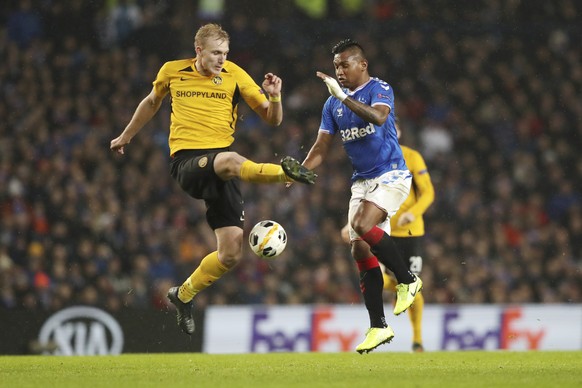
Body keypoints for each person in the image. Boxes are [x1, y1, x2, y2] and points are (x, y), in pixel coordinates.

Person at [110, 23, 316, 335]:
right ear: (199, 50)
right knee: (233, 160)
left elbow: (273, 120)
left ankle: (183, 295)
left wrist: (275, 98)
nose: (221, 59)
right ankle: (284, 173)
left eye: (225, 53)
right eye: (216, 53)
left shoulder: (234, 74)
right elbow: (152, 102)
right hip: (188, 161)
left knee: (231, 253)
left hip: (221, 166)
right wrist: (126, 135)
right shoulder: (172, 71)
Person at [300, 39, 422, 354]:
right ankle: (379, 327)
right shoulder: (332, 105)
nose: (339, 71)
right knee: (359, 247)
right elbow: (321, 148)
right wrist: (297, 171)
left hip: (391, 173)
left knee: (361, 223)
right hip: (362, 182)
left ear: (362, 64)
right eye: (336, 66)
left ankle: (408, 280)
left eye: (345, 65)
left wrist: (344, 97)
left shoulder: (380, 89)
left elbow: (379, 118)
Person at [341, 118, 435, 352]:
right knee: (378, 275)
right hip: (381, 229)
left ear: (398, 132)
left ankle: (417, 340)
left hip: (411, 232)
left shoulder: (411, 157)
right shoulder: (371, 157)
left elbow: (428, 192)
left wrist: (413, 213)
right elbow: (364, 196)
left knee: (412, 287)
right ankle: (384, 314)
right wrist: (351, 225)